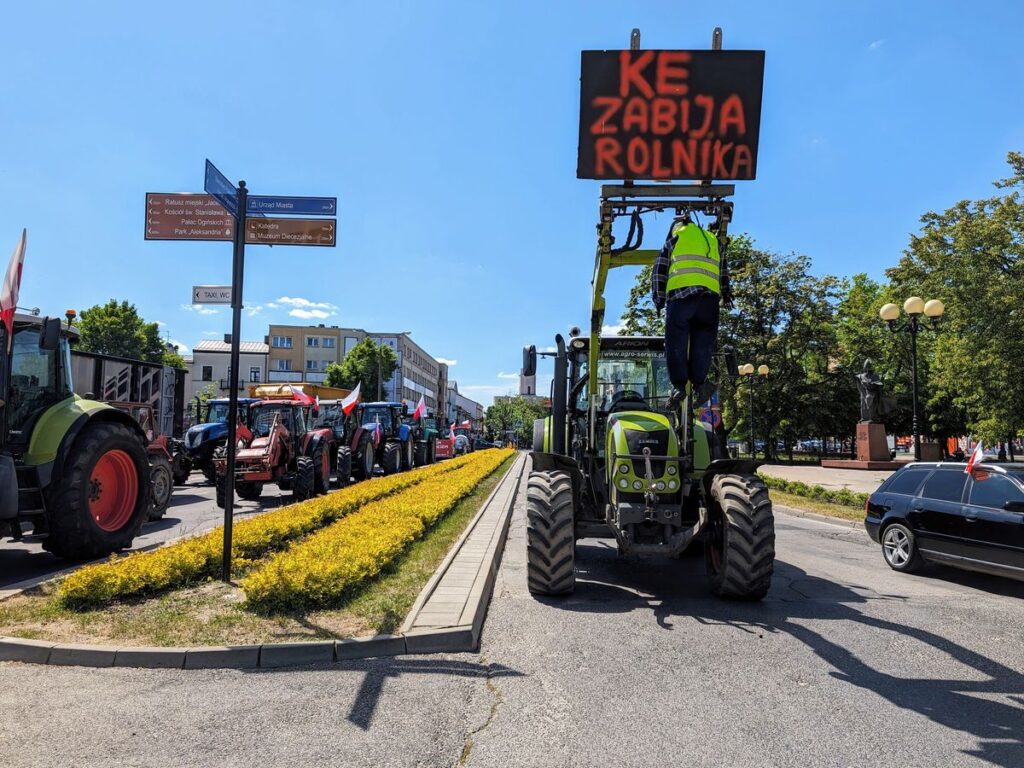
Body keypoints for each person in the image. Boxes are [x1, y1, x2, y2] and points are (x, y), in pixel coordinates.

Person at [652, 215, 732, 409]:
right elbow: (723, 269)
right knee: (704, 342)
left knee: (676, 339)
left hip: (682, 296)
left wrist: (658, 298)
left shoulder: (676, 239)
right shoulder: (712, 240)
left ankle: (679, 386)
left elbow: (659, 269)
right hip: (709, 300)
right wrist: (726, 292)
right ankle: (700, 383)